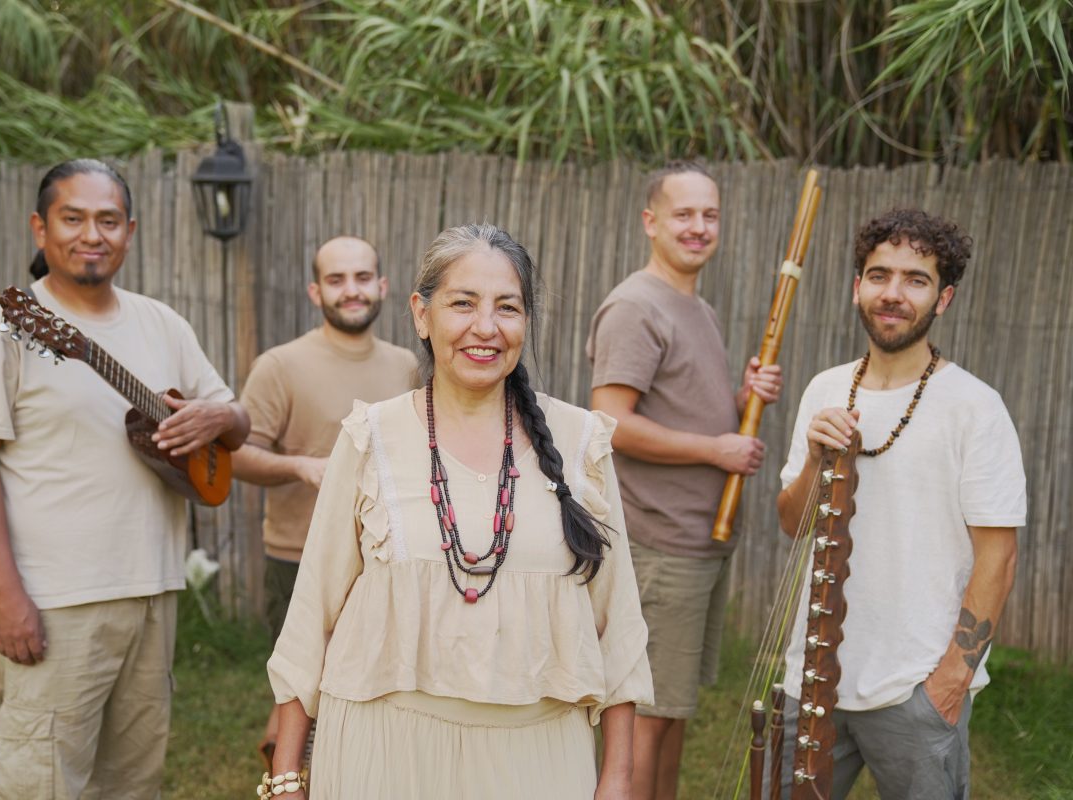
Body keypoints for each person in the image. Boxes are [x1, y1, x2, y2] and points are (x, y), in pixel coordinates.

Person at [262, 223, 652, 799]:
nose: (486, 327)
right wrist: (286, 776)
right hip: (385, 752)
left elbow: (618, 624)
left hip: (539, 756)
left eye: (507, 307)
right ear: (422, 315)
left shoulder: (580, 444)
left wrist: (617, 777)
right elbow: (311, 613)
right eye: (463, 303)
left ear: (527, 321)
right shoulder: (371, 438)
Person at [0, 159, 250, 799]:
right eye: (73, 218)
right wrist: (6, 595)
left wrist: (220, 415)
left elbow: (236, 424)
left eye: (108, 221)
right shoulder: (4, 324)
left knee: (133, 783)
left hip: (153, 591)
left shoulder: (162, 322)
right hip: (55, 598)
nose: (92, 235)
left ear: (129, 232)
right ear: (40, 228)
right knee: (44, 783)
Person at [775, 209, 1025, 798]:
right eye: (879, 275)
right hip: (812, 677)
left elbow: (999, 556)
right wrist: (814, 460)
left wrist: (949, 682)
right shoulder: (825, 388)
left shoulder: (975, 407)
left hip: (916, 688)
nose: (893, 293)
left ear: (943, 298)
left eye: (916, 279)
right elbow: (793, 524)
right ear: (857, 287)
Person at [586, 160, 783, 800]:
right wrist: (716, 450)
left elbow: (681, 408)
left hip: (698, 544)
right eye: (684, 214)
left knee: (671, 713)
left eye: (710, 215)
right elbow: (611, 421)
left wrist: (741, 400)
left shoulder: (697, 308)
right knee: (643, 720)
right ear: (651, 222)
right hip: (658, 544)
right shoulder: (635, 306)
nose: (699, 227)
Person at [231, 235, 417, 757]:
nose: (351, 290)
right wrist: (300, 466)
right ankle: (288, 779)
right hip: (298, 560)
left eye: (362, 278)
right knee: (301, 697)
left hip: (387, 563)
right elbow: (237, 456)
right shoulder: (280, 365)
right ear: (316, 292)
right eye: (336, 280)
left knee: (370, 701)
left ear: (382, 286)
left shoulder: (408, 365)